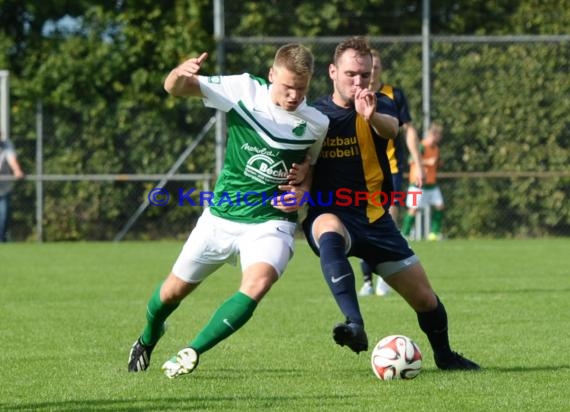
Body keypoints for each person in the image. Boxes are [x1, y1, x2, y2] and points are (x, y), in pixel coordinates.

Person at [128, 44, 329, 378]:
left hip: (271, 222)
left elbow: (313, 166)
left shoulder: (316, 122)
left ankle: (192, 350)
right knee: (169, 294)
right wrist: (179, 73)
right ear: (271, 76)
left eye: (302, 89)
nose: (294, 95)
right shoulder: (244, 90)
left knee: (258, 283)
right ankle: (149, 336)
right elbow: (174, 89)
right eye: (287, 87)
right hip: (221, 218)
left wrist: (303, 192)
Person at [303, 36, 480, 371]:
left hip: (375, 218)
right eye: (351, 74)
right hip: (331, 211)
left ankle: (445, 357)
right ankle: (354, 324)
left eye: (365, 75)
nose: (358, 82)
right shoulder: (313, 115)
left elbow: (393, 128)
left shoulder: (376, 104)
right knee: (328, 228)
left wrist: (369, 116)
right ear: (332, 72)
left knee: (426, 299)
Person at [358, 48, 424, 297]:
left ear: (380, 69)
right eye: (367, 67)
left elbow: (408, 130)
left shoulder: (394, 94)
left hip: (391, 170)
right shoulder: (352, 95)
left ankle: (386, 277)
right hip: (361, 172)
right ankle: (366, 281)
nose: (371, 72)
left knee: (387, 221)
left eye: (375, 67)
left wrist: (417, 163)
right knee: (362, 224)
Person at [401, 123, 445, 241]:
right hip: (417, 184)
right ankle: (404, 234)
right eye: (439, 135)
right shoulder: (421, 146)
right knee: (413, 208)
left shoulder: (436, 148)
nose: (440, 138)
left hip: (431, 185)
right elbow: (411, 161)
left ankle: (434, 234)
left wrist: (438, 163)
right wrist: (427, 161)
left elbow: (435, 163)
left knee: (440, 206)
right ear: (433, 134)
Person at [0, 134, 25, 242]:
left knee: (3, 215)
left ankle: (1, 239)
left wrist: (17, 170)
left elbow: (12, 161)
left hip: (3, 188)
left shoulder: (6, 146)